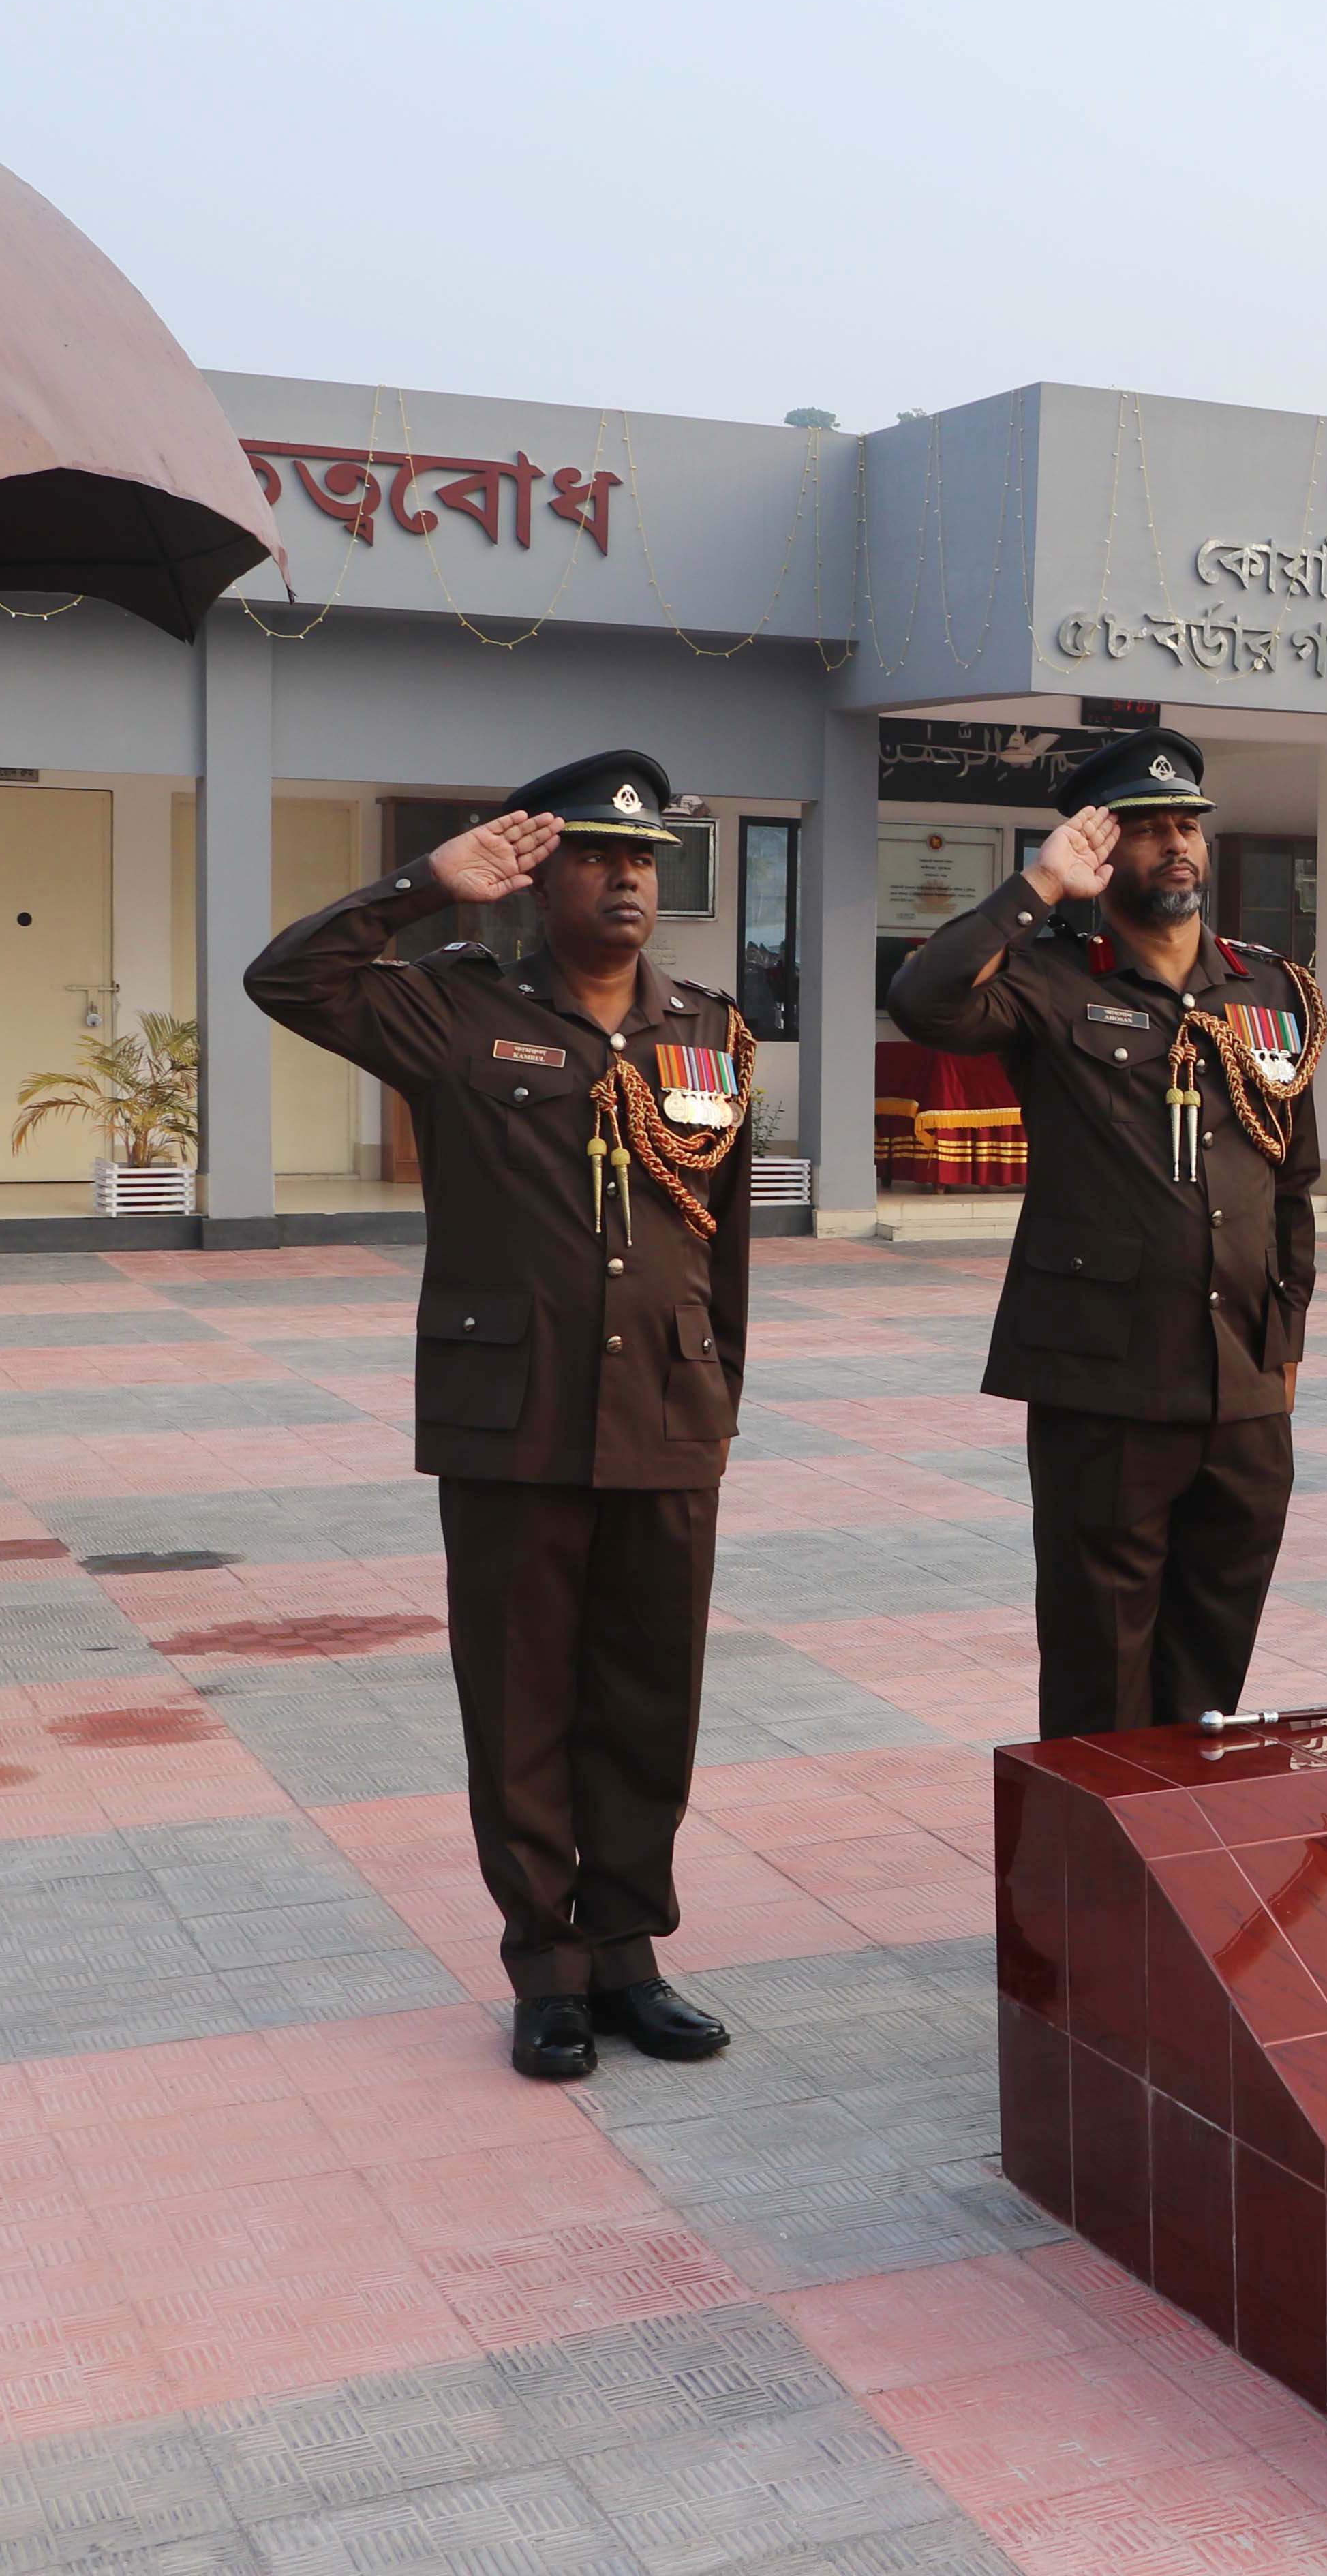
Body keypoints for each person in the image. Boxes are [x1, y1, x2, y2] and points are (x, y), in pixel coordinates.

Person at [247, 751, 748, 2083]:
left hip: (666, 1410)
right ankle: (548, 1966)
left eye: (645, 858)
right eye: (596, 854)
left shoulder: (710, 1029)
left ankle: (631, 1951)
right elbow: (287, 977)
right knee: (523, 1693)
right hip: (512, 1414)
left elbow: (723, 1242)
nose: (628, 875)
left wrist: (717, 1395)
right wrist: (422, 883)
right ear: (541, 874)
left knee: (650, 1697)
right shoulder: (455, 1010)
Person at [887, 727, 1324, 1738]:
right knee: (1099, 1666)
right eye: (1145, 829)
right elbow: (922, 998)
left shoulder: (1268, 989)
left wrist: (1286, 1338)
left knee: (1214, 1664)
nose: (1176, 845)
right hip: (1105, 1380)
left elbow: (1292, 1182)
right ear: (1100, 848)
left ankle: (1185, 1850)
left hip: (1243, 1385)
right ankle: (1085, 1886)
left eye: (1189, 827)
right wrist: (1037, 889)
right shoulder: (1049, 977)